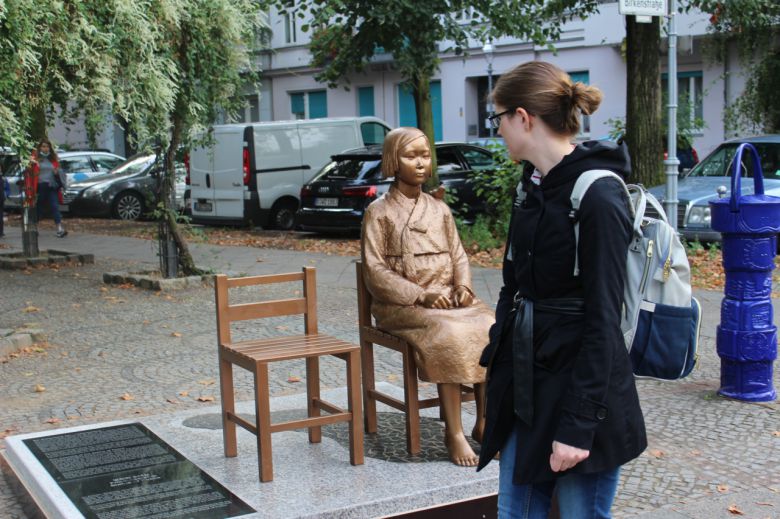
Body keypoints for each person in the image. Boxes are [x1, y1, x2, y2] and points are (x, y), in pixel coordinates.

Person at [476, 61, 647, 518]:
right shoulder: (529, 187)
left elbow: (603, 322)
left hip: (582, 396)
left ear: (523, 117)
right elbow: (514, 286)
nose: (498, 131)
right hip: (528, 390)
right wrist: (501, 362)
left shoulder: (599, 196)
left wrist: (578, 426)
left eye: (498, 119)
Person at [361, 127, 495, 467]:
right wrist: (421, 295)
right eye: (410, 156)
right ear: (393, 160)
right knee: (449, 335)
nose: (420, 163)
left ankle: (484, 421)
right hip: (401, 305)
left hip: (450, 298)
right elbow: (374, 271)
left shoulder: (440, 209)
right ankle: (454, 433)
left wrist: (462, 286)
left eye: (424, 155)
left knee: (493, 326)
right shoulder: (378, 212)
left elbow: (458, 254)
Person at [29, 139, 67, 237]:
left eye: (47, 147)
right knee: (39, 208)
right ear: (40, 148)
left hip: (51, 186)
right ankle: (35, 227)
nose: (45, 149)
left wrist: (57, 172)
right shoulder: (35, 158)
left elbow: (59, 171)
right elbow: (31, 173)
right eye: (43, 146)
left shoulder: (53, 158)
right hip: (40, 186)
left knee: (55, 206)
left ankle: (59, 228)